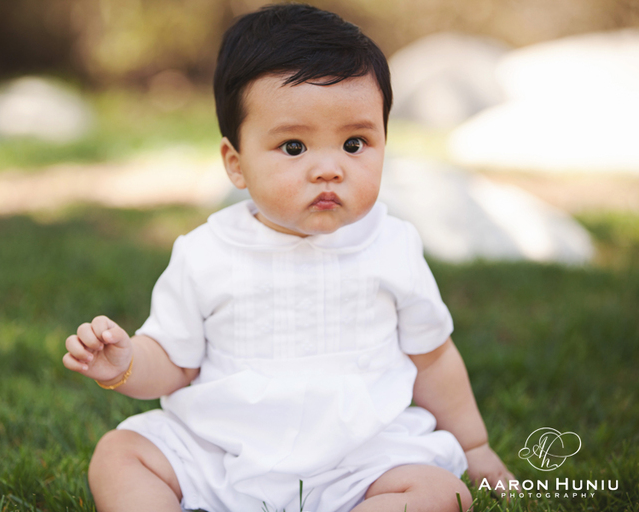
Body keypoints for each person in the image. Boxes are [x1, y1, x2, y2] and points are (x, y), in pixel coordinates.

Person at [62, 4, 514, 511]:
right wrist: (123, 365)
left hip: (358, 462)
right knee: (120, 453)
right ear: (237, 164)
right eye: (295, 146)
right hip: (222, 451)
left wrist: (473, 446)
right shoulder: (205, 253)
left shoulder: (393, 246)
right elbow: (172, 362)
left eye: (354, 143)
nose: (328, 168)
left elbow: (433, 357)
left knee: (443, 494)